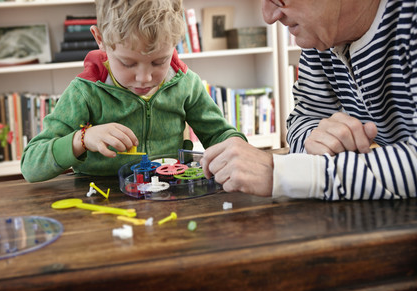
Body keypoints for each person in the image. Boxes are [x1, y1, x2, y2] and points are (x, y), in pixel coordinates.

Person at [201, 0, 417, 201]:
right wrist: (317, 140)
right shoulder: (323, 39)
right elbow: (303, 118)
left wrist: (283, 173)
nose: (269, 16)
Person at [21, 0, 245, 182]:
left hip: (170, 193)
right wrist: (83, 138)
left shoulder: (186, 83)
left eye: (159, 62)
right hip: (100, 202)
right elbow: (30, 165)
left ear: (177, 42)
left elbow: (220, 135)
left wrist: (237, 148)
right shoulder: (84, 92)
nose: (144, 78)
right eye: (128, 64)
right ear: (100, 39)